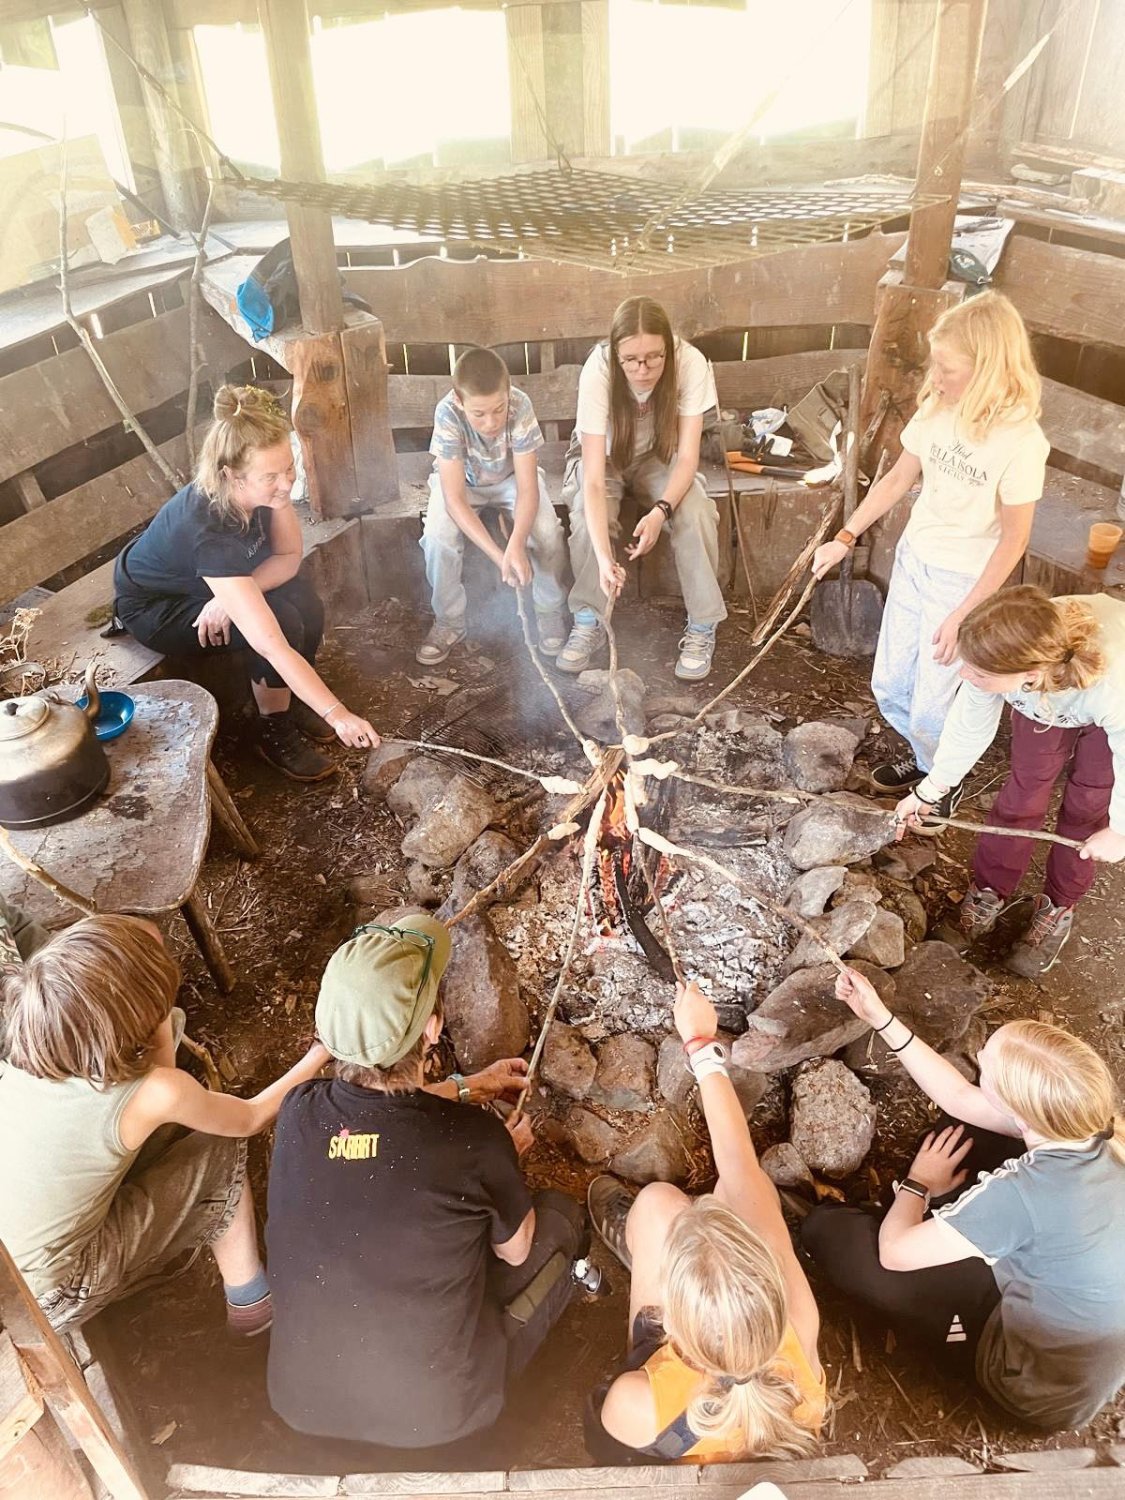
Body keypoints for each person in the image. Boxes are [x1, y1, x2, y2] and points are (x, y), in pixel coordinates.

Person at [265, 913, 588, 1448]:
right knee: (561, 1220)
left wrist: (467, 1087)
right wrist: (501, 1159)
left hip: (301, 1405)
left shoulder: (299, 1113)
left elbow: (376, 1118)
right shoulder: (475, 1142)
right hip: (442, 1420)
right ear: (434, 1028)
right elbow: (515, 1251)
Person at [802, 966, 1125, 1431]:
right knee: (968, 1125)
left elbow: (895, 1254)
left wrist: (919, 1182)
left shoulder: (1022, 1195)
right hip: (1064, 1328)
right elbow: (958, 1097)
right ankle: (943, 1215)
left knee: (827, 1230)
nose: (975, 1056)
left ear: (1022, 1111)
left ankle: (927, 1223)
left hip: (1023, 1381)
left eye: (985, 1066)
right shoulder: (1090, 1127)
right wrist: (879, 1017)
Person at [0, 915, 329, 1335]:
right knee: (219, 1145)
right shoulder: (155, 1093)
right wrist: (321, 1052)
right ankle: (253, 1307)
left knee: (176, 1128)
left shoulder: (32, 1044)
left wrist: (147, 998)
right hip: (47, 1297)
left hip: (10, 1268)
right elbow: (250, 1118)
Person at [812, 292, 1048, 809]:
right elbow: (897, 478)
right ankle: (924, 759)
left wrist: (965, 613)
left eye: (947, 368)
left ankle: (942, 783)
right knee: (890, 680)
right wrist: (844, 536)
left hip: (963, 581)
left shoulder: (1021, 442)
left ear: (988, 366)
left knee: (934, 700)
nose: (936, 378)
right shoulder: (939, 408)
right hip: (915, 559)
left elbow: (1015, 538)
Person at [585, 980, 825, 1464]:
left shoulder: (637, 1404)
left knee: (657, 1204)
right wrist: (701, 1047)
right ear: (771, 1286)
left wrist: (698, 1042)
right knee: (740, 1191)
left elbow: (611, 1447)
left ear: (672, 1323)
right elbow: (740, 1167)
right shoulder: (798, 1327)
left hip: (668, 1425)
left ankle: (639, 1250)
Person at [113, 384, 379, 783]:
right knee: (283, 622)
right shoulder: (208, 529)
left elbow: (288, 558)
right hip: (158, 604)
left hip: (211, 581)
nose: (287, 484)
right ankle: (271, 731)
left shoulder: (266, 492)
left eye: (288, 467)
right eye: (270, 476)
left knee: (305, 600)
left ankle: (291, 697)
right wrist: (338, 714)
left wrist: (230, 598)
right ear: (230, 477)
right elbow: (269, 642)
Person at [896, 585, 1125, 976]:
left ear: (1031, 675)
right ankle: (987, 893)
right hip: (1043, 699)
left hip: (1104, 702)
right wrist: (930, 789)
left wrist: (1121, 830)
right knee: (1024, 790)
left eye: (979, 673)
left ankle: (1058, 906)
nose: (967, 676)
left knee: (1091, 804)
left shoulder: (1113, 688)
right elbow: (969, 727)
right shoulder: (999, 653)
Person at [557, 297, 727, 682]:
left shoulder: (691, 363)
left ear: (669, 347)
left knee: (696, 507)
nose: (643, 369)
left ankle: (702, 625)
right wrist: (604, 557)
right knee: (586, 513)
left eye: (654, 357)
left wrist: (661, 509)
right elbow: (596, 480)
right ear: (615, 354)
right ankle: (588, 618)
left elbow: (686, 459)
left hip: (658, 455)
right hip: (605, 458)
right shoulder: (597, 371)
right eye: (631, 360)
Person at [417, 345, 569, 666]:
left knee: (546, 531)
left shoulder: (520, 405)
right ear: (460, 402)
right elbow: (455, 500)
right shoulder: (447, 413)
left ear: (508, 393)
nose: (491, 422)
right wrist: (501, 556)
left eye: (498, 410)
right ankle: (450, 621)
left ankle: (549, 610)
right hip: (464, 486)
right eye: (479, 414)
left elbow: (528, 489)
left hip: (512, 480)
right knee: (437, 537)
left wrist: (517, 542)